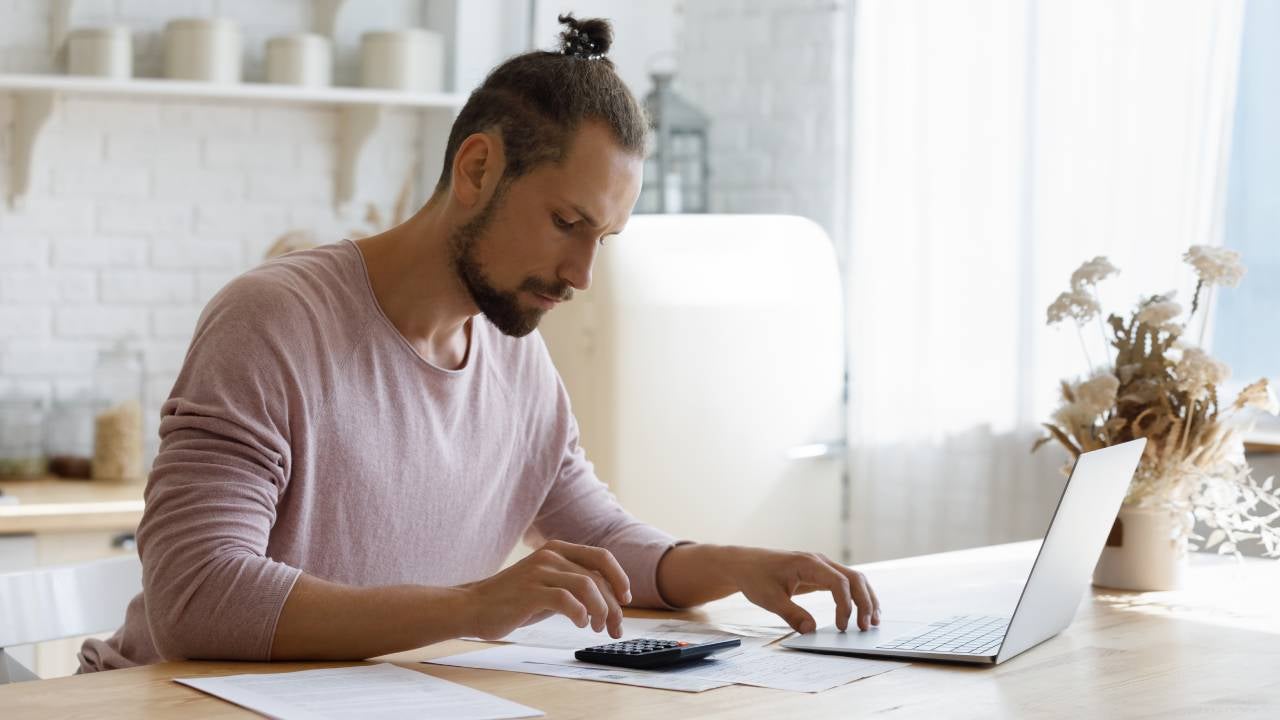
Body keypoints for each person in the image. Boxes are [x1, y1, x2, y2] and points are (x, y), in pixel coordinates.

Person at [78, 14, 879, 672]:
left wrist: (729, 566)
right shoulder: (273, 322)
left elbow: (595, 539)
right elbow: (196, 598)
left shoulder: (514, 353)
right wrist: (473, 605)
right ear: (476, 167)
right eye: (567, 223)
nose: (581, 274)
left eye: (604, 237)